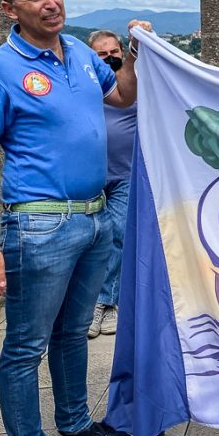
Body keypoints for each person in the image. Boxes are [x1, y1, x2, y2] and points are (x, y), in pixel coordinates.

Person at [0, 0, 150, 436]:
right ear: (11, 10)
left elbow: (123, 95)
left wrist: (132, 54)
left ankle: (74, 422)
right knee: (25, 346)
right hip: (38, 223)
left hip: (95, 215)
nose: (51, 2)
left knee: (72, 334)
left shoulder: (85, 55)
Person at [86, 30, 139, 339]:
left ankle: (106, 303)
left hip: (125, 175)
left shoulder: (136, 83)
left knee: (117, 235)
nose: (110, 58)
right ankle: (93, 303)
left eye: (114, 51)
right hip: (89, 175)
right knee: (90, 239)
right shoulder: (84, 86)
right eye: (101, 55)